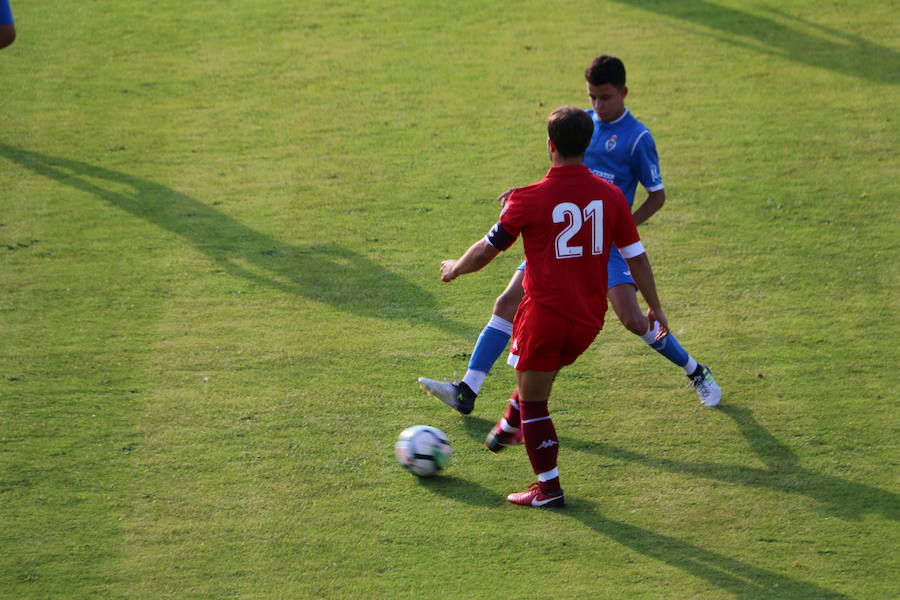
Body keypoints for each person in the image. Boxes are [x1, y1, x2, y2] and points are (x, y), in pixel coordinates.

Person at [419, 55, 720, 413]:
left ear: (623, 92)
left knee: (632, 319)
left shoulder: (637, 139)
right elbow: (564, 175)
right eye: (592, 96)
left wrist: (620, 226)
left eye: (605, 97)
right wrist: (527, 194)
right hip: (562, 238)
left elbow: (658, 196)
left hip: (604, 245)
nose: (597, 105)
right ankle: (468, 389)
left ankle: (696, 370)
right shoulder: (584, 125)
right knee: (506, 302)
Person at [439, 106, 669, 507]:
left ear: (550, 146)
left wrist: (454, 268)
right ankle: (508, 427)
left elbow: (485, 251)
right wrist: (656, 308)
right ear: (588, 145)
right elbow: (637, 258)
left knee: (535, 402)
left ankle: (548, 489)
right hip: (587, 320)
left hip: (545, 317)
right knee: (534, 379)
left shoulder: (528, 198)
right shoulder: (612, 197)